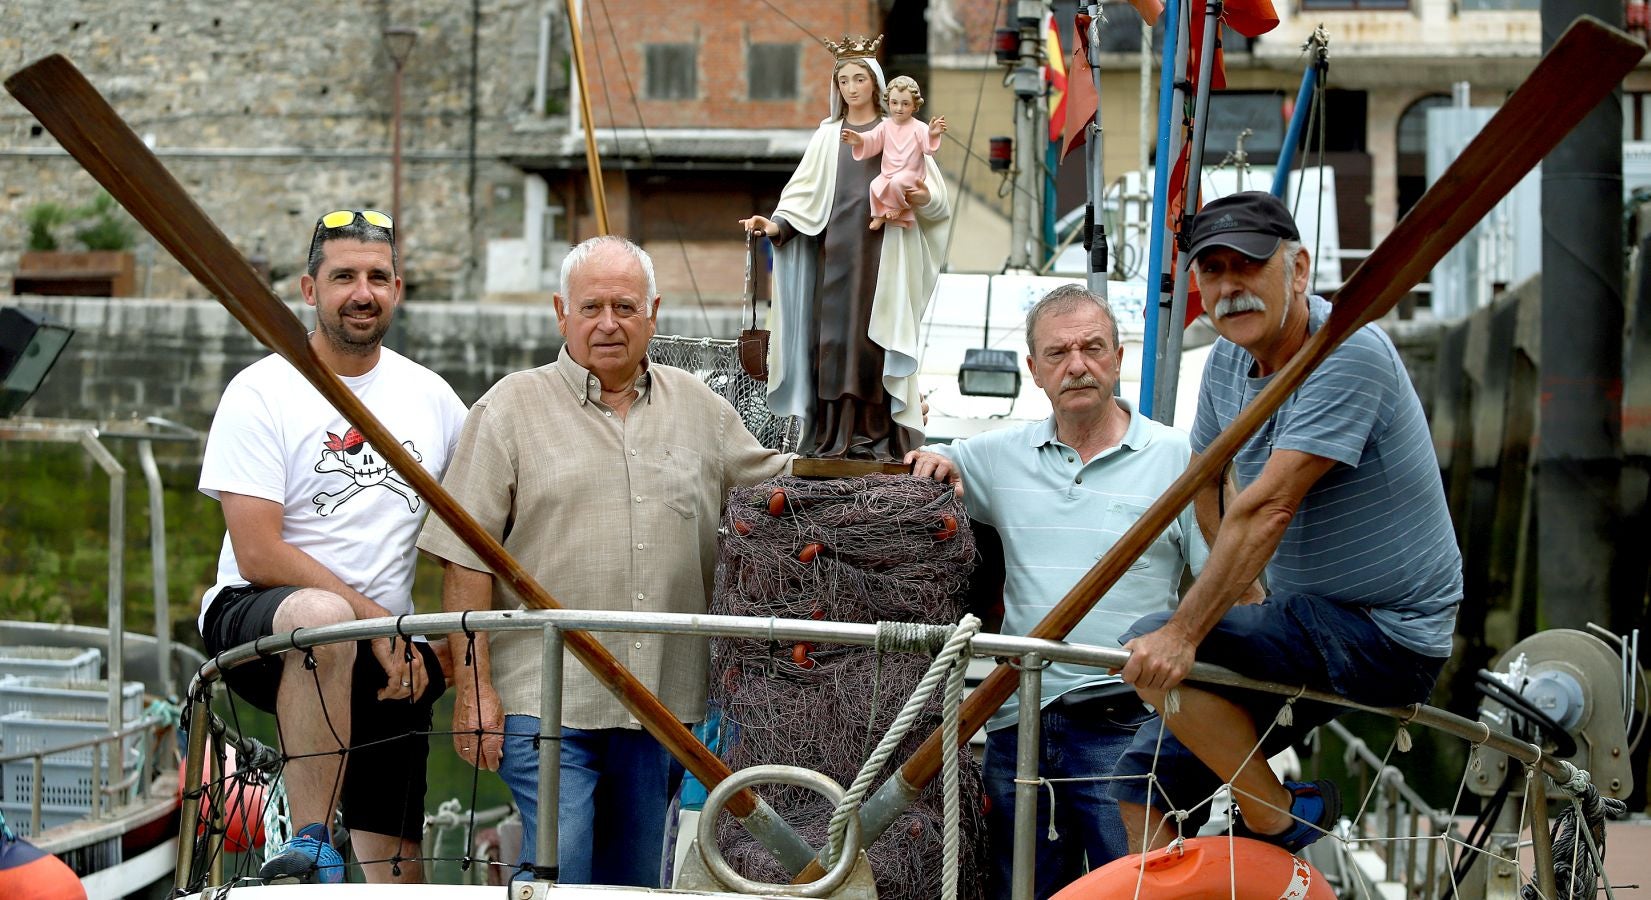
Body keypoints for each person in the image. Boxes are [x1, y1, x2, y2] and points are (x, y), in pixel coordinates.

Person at [417, 236, 793, 886]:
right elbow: (463, 559)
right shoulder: (508, 408)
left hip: (662, 697)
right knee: (561, 869)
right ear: (562, 313)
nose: (608, 323)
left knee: (634, 882)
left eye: (624, 306)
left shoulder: (702, 411)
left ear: (653, 313)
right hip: (545, 694)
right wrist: (474, 691)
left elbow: (783, 484)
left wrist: (904, 462)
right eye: (591, 307)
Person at [1112, 191, 1463, 855]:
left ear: (1297, 270)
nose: (1229, 287)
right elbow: (1206, 482)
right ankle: (1269, 823)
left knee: (1150, 643)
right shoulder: (1225, 363)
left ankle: (1279, 815)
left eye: (1246, 266)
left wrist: (1186, 632)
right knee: (1141, 781)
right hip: (1303, 619)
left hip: (1385, 636)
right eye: (1211, 271)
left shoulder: (1347, 352)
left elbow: (1268, 503)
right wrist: (1244, 596)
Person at [907, 285, 1208, 897]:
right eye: (1058, 353)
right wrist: (933, 463)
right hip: (1021, 722)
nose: (1078, 365)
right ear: (1034, 371)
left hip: (1130, 726)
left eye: (1093, 348)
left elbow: (1224, 582)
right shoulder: (995, 456)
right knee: (1021, 890)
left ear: (1118, 358)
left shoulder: (1181, 459)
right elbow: (931, 461)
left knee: (1139, 891)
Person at [197, 208, 467, 884]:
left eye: (377, 277)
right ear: (309, 289)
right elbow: (257, 552)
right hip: (262, 619)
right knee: (324, 620)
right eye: (343, 275)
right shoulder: (262, 391)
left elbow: (473, 537)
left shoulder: (432, 398)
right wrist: (377, 625)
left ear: (398, 290)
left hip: (387, 643)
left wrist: (462, 662)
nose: (362, 292)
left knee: (401, 876)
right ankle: (313, 839)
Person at [739, 36, 952, 461]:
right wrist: (776, 224)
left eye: (859, 78)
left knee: (872, 344)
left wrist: (922, 198)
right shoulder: (828, 137)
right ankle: (830, 435)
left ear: (875, 83)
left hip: (880, 259)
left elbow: (936, 196)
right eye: (843, 80)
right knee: (831, 345)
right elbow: (801, 198)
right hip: (832, 258)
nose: (851, 88)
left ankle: (877, 436)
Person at [841, 75, 947, 231]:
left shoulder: (919, 127)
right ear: (888, 102)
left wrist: (933, 134)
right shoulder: (886, 126)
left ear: (914, 105)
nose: (899, 108)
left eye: (905, 104)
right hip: (888, 173)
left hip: (911, 174)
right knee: (875, 185)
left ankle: (900, 208)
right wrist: (860, 140)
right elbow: (873, 138)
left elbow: (928, 148)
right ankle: (879, 216)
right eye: (894, 103)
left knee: (897, 183)